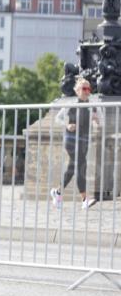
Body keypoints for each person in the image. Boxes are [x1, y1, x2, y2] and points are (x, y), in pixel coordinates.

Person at [51, 78, 102, 209]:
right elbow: (58, 118)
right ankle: (85, 199)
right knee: (81, 165)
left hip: (84, 141)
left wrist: (97, 121)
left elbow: (102, 122)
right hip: (71, 140)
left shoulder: (93, 105)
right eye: (84, 89)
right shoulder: (71, 103)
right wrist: (67, 125)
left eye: (89, 89)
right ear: (77, 90)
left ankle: (57, 192)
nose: (87, 91)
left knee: (72, 168)